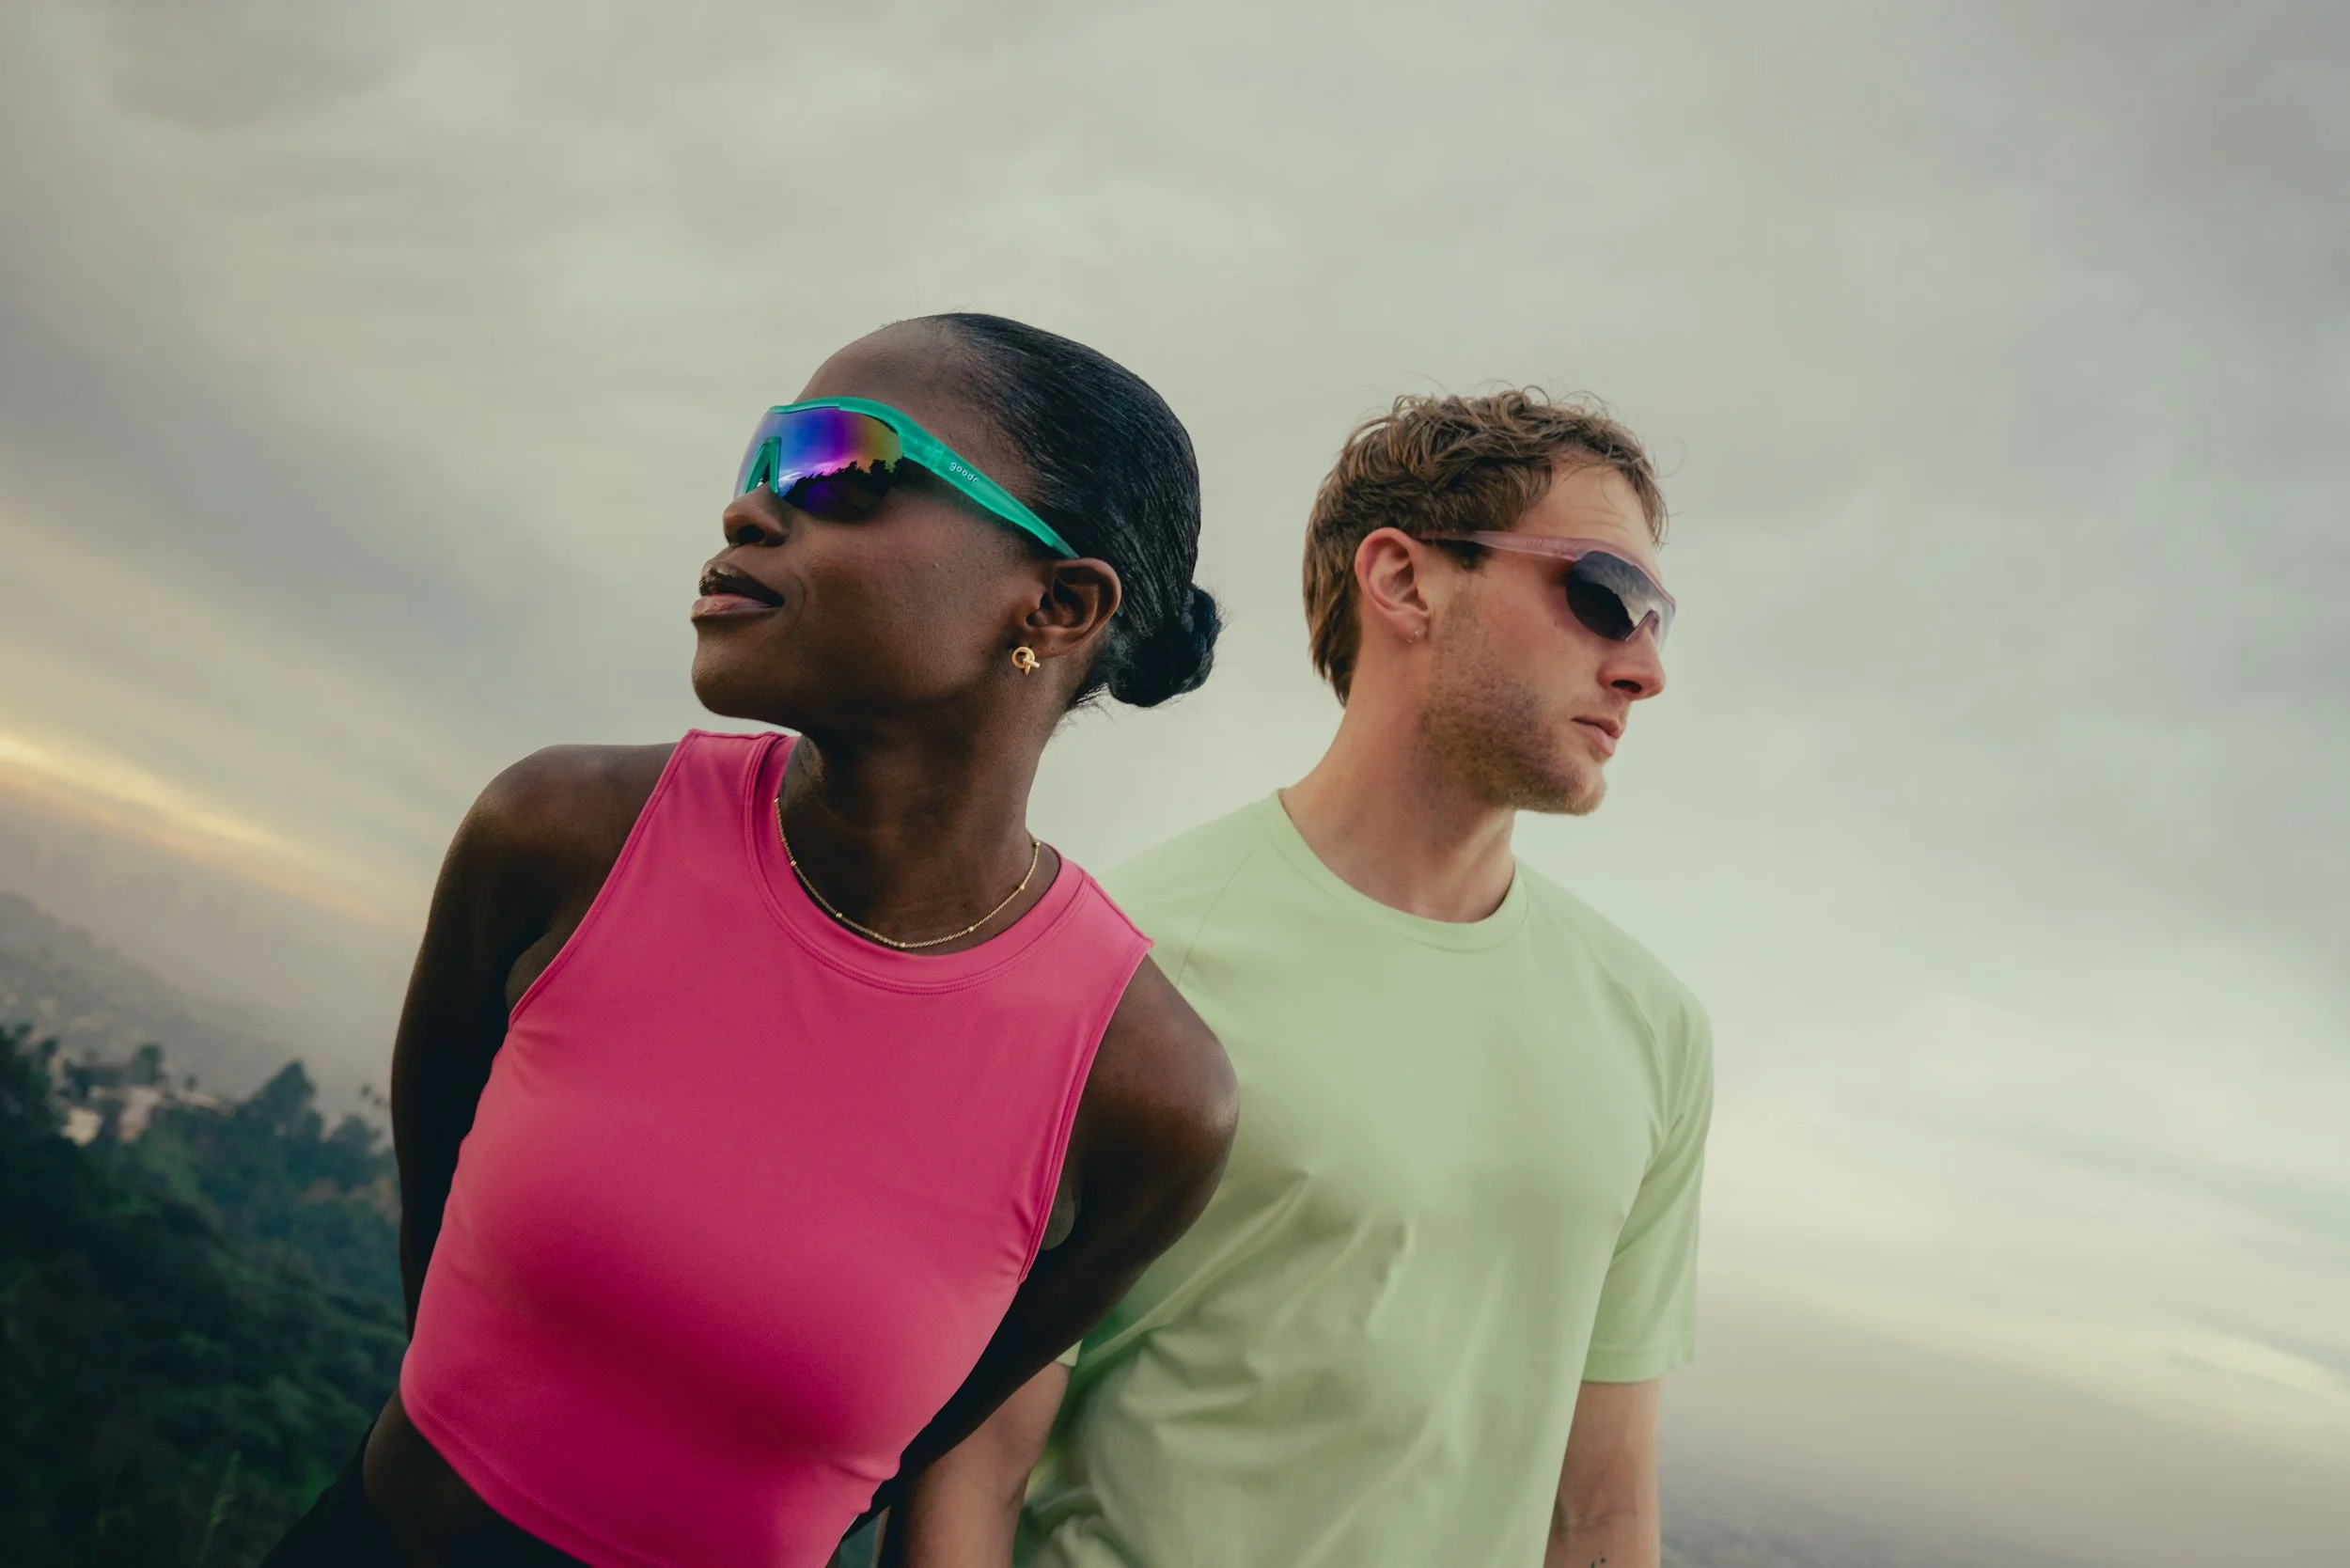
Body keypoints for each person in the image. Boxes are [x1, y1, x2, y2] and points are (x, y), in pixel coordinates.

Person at [263, 314, 1239, 1568]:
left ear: (1055, 602)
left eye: (839, 464)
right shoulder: (560, 836)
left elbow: (906, 1462)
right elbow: (437, 1253)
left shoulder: (1145, 1090)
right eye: (760, 458)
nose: (750, 510)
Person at [898, 390, 1713, 1568]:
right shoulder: (1119, 957)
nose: (1642, 667)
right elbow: (971, 1463)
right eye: (1605, 596)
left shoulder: (1655, 1032)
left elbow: (1599, 1515)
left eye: (1657, 620)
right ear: (1404, 582)